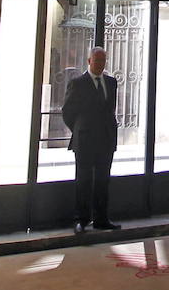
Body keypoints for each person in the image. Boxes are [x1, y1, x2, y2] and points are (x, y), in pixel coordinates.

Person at [61, 45, 120, 232]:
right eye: (97, 61)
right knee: (83, 181)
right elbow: (67, 112)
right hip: (85, 141)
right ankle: (81, 219)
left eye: (103, 61)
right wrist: (80, 130)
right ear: (89, 61)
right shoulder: (78, 83)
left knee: (103, 181)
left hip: (105, 140)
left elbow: (110, 110)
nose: (101, 64)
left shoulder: (111, 83)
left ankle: (101, 218)